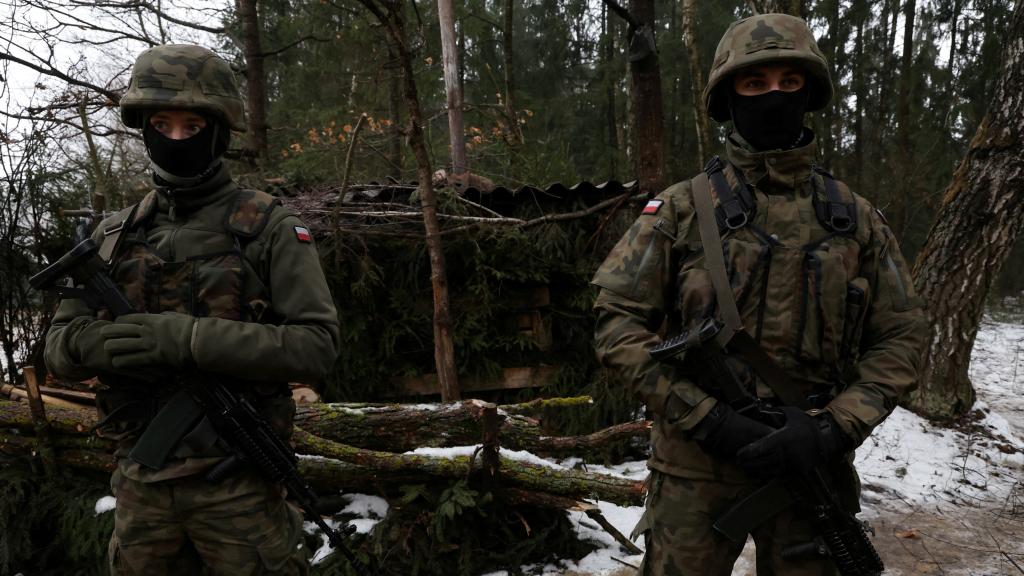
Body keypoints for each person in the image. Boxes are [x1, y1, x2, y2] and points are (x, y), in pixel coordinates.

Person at [592, 14, 926, 575]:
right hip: (696, 469)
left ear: (809, 92)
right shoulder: (680, 210)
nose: (774, 96)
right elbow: (616, 322)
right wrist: (706, 419)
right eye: (754, 83)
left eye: (789, 82)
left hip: (811, 468)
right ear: (730, 97)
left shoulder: (855, 218)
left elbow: (901, 336)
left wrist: (834, 426)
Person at [44, 44, 340, 575]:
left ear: (220, 130)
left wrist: (188, 339)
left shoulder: (268, 226)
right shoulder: (111, 236)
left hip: (237, 488)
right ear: (143, 127)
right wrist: (88, 344)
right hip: (139, 487)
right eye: (162, 123)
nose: (175, 139)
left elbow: (316, 346)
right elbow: (57, 348)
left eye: (192, 126)